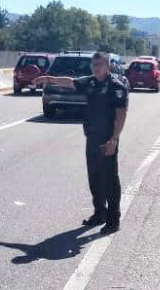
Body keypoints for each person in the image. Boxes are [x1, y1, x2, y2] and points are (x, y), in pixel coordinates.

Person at [34, 52, 128, 234]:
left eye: (100, 64)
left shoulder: (116, 86)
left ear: (108, 66)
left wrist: (114, 139)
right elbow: (70, 82)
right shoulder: (90, 82)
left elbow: (121, 113)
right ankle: (99, 213)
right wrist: (48, 79)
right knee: (94, 178)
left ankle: (113, 220)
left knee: (109, 180)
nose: (96, 68)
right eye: (94, 65)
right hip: (92, 137)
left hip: (107, 139)